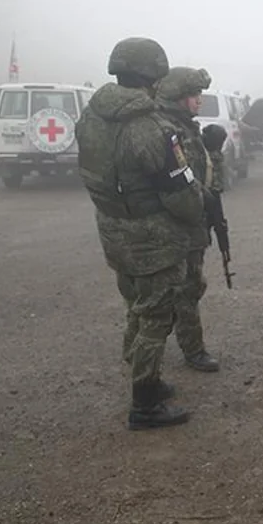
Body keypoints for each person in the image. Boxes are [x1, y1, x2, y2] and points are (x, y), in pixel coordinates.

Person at [76, 37, 204, 430]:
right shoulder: (150, 127)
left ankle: (144, 374)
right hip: (153, 239)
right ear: (154, 74)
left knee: (136, 304)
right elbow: (182, 196)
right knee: (155, 315)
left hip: (114, 229)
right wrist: (198, 212)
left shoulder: (93, 116)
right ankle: (145, 402)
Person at [154, 66, 223, 373]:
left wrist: (213, 154)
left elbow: (202, 172)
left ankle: (151, 348)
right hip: (178, 224)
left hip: (191, 221)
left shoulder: (186, 127)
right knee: (184, 289)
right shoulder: (169, 130)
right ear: (179, 98)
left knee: (188, 286)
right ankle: (191, 349)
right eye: (194, 95)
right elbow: (179, 180)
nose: (199, 100)